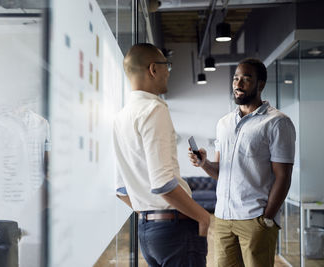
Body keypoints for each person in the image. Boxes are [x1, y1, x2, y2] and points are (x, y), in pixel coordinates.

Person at [189, 58, 295, 267]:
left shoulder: (277, 122)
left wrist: (267, 219)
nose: (238, 84)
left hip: (255, 219)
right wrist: (204, 163)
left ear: (261, 84)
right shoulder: (224, 123)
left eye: (246, 79)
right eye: (236, 78)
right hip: (223, 218)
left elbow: (283, 177)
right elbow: (220, 172)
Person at [113, 43, 211, 267]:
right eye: (166, 65)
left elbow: (120, 189)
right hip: (175, 230)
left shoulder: (120, 117)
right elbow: (163, 183)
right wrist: (203, 216)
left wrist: (149, 214)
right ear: (153, 69)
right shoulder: (154, 109)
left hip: (148, 233)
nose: (168, 72)